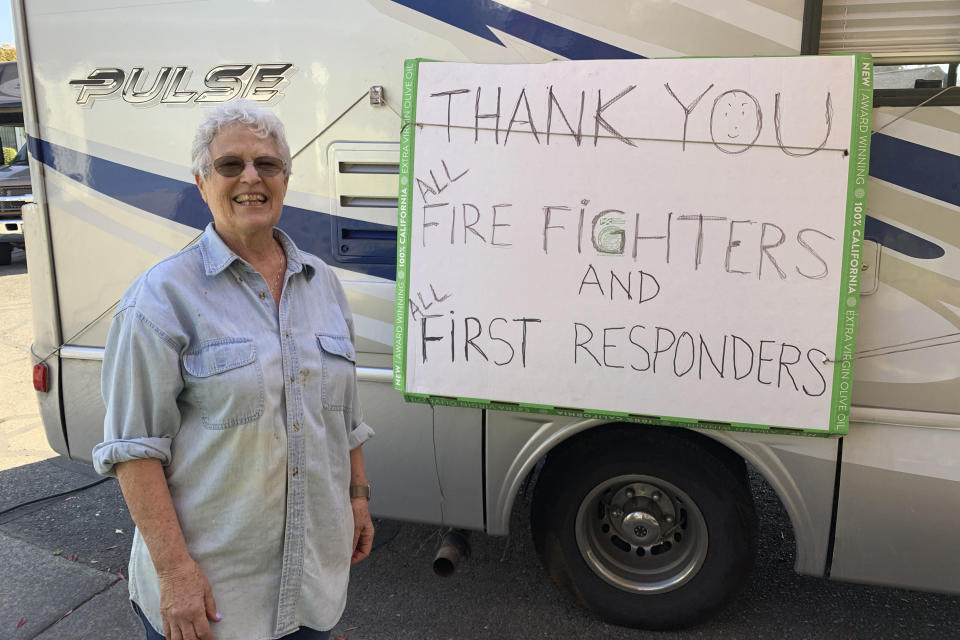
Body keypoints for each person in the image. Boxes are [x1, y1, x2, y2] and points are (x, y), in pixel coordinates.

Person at [93, 101, 375, 640]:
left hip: (314, 586)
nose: (251, 177)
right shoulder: (160, 299)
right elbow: (132, 450)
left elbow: (346, 416)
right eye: (230, 165)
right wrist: (175, 575)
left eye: (267, 165)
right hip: (214, 601)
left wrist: (358, 499)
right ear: (202, 182)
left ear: (285, 181)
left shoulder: (325, 285)